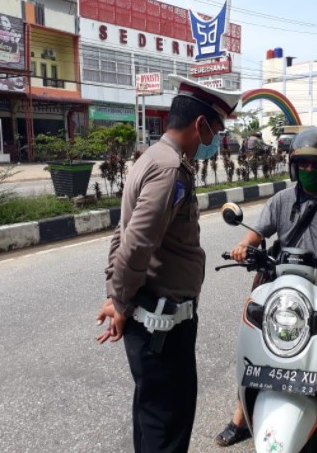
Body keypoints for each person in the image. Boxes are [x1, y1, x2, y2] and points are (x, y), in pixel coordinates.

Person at [96, 74, 241, 453]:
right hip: (161, 326)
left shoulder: (150, 158)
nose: (216, 139)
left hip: (151, 320)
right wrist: (119, 300)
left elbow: (121, 232)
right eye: (217, 129)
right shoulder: (169, 169)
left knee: (152, 416)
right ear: (200, 124)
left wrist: (117, 294)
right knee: (168, 424)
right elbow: (137, 242)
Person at [215, 127, 317, 453]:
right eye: (303, 164)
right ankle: (240, 416)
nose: (310, 171)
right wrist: (242, 246)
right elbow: (256, 233)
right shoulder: (282, 200)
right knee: (252, 346)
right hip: (283, 288)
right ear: (294, 165)